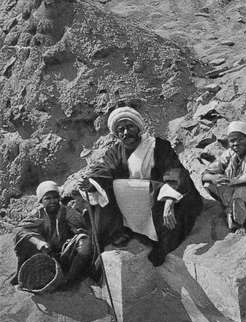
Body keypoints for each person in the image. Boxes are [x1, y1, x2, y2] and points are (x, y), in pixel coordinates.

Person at [80, 106, 203, 266]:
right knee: (104, 188)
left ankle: (162, 244)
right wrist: (91, 182)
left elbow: (174, 171)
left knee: (166, 213)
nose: (126, 132)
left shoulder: (157, 146)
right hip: (136, 207)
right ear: (116, 134)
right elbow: (106, 169)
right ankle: (107, 241)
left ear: (138, 127)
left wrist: (169, 199)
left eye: (130, 126)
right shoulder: (115, 152)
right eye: (121, 129)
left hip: (164, 202)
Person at [12, 181, 92, 290]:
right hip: (43, 255)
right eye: (48, 198)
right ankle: (22, 278)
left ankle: (69, 280)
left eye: (55, 197)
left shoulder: (68, 212)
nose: (52, 201)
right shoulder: (37, 214)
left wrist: (75, 228)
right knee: (24, 238)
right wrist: (40, 243)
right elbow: (20, 230)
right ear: (41, 201)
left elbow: (82, 228)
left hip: (64, 254)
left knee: (84, 241)